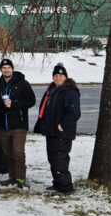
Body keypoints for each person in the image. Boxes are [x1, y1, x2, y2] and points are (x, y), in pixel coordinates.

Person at [34, 63, 80, 193]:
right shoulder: (51, 91)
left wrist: (62, 125)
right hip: (51, 132)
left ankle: (65, 187)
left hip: (62, 133)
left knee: (60, 160)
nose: (58, 78)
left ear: (65, 77)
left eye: (61, 75)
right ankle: (57, 183)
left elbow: (75, 112)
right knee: (53, 159)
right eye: (56, 76)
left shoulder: (70, 92)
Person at [0, 59, 36, 189]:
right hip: (2, 126)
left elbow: (31, 101)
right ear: (1, 70)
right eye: (4, 67)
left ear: (12, 69)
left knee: (18, 153)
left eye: (8, 67)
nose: (6, 70)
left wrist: (14, 103)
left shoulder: (23, 84)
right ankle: (12, 177)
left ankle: (21, 179)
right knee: (8, 154)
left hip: (18, 126)